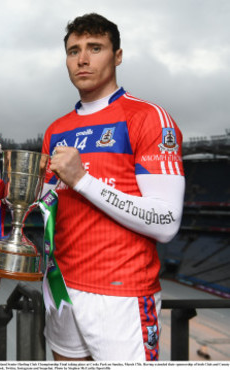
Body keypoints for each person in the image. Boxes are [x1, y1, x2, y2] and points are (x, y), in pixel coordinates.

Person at [42, 13, 184, 361]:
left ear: (117, 55)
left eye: (95, 48)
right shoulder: (55, 129)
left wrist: (83, 180)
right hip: (62, 290)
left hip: (122, 296)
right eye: (74, 50)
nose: (83, 59)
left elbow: (166, 223)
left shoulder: (148, 117)